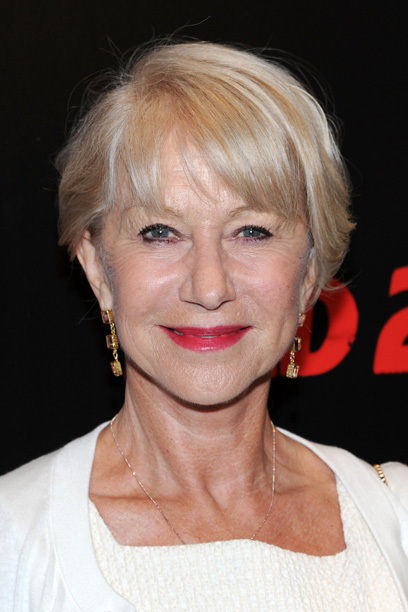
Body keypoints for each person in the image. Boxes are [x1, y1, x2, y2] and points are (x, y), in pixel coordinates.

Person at [1, 41, 407, 611]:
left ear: (310, 271)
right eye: (161, 232)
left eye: (252, 232)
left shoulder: (395, 517)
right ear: (97, 268)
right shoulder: (14, 539)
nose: (210, 287)